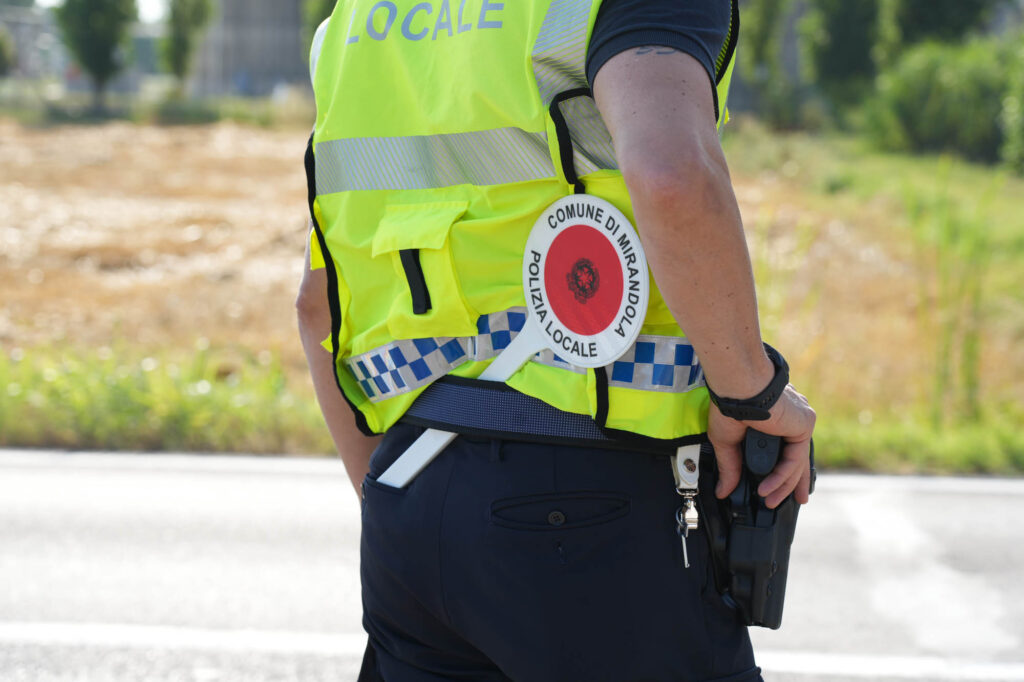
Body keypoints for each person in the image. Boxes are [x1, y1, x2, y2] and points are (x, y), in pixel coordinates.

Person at [297, 1, 816, 680]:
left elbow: (317, 306)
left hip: (408, 503)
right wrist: (750, 391)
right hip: (594, 504)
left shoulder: (358, 20)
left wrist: (400, 498)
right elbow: (672, 177)